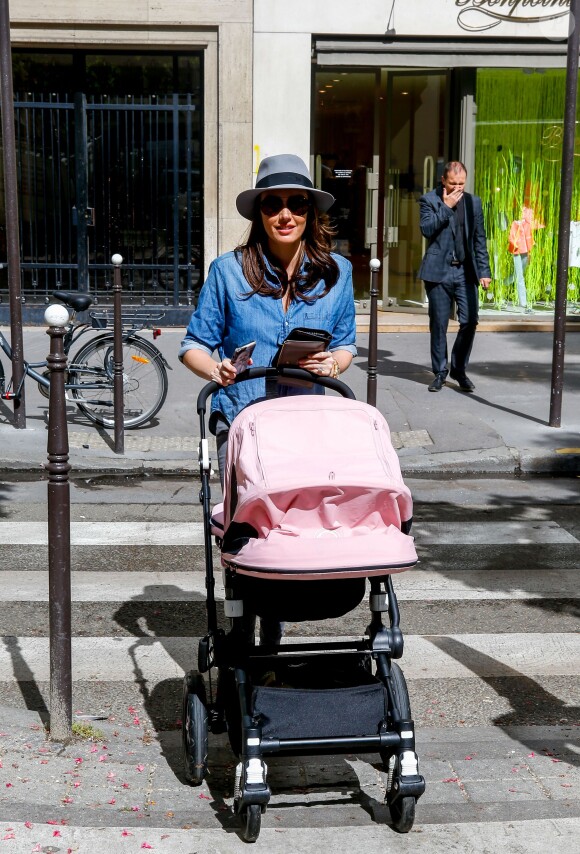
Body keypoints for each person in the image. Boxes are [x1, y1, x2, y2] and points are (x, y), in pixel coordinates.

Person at [179, 153, 357, 644]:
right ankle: (241, 634)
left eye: (296, 204)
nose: (285, 215)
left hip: (306, 425)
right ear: (258, 213)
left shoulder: (336, 272)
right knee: (248, 534)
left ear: (310, 213)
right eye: (273, 204)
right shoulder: (228, 272)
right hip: (243, 423)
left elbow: (346, 343)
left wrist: (333, 364)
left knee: (292, 536)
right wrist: (216, 368)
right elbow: (192, 344)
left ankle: (274, 634)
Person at [418, 161, 491, 392]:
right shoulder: (429, 200)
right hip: (438, 271)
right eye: (453, 184)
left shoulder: (473, 202)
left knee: (469, 320)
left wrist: (485, 271)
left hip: (465, 270)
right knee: (438, 324)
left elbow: (479, 238)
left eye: (461, 184)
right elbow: (426, 229)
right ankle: (440, 371)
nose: (457, 188)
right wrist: (446, 205)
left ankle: (458, 369)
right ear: (443, 180)